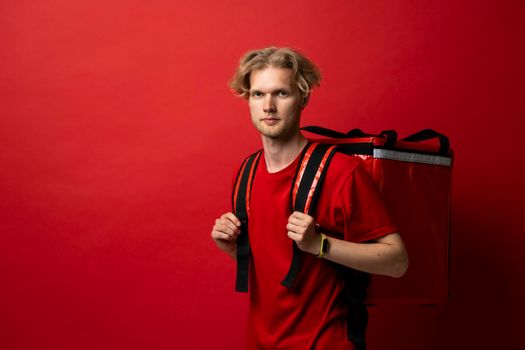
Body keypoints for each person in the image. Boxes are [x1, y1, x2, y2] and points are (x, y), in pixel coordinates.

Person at [211, 46, 409, 349]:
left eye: (281, 93)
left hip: (325, 342)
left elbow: (398, 262)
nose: (268, 106)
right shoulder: (246, 172)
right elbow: (276, 269)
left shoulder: (341, 172)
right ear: (247, 99)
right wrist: (233, 248)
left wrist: (320, 244)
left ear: (303, 98)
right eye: (258, 94)